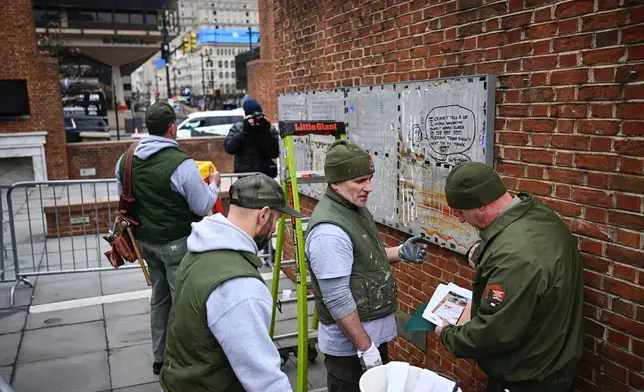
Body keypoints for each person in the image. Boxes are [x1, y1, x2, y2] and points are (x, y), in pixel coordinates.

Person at [434, 162, 584, 392]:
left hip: (527, 377)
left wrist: (448, 335)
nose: (461, 219)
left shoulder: (515, 257)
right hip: (550, 359)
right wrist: (482, 252)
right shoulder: (537, 216)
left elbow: (496, 332)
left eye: (461, 212)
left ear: (482, 205)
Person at [305, 140, 429, 392]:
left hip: (368, 339)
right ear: (336, 182)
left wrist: (400, 252)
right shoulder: (329, 232)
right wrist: (365, 348)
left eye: (369, 178)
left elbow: (361, 259)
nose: (368, 187)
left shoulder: (351, 208)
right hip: (352, 350)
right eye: (360, 180)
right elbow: (337, 299)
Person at [160, 173, 300, 392]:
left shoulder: (200, 248)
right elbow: (264, 378)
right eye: (275, 219)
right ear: (263, 215)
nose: (274, 229)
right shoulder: (239, 285)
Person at [114, 102, 221, 375]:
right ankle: (186, 362)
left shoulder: (125, 159)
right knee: (185, 303)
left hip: (144, 243)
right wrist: (214, 185)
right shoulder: (180, 164)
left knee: (160, 299)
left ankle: (160, 357)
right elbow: (200, 206)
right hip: (176, 243)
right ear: (172, 127)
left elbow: (124, 196)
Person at [224, 98, 279, 178]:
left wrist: (266, 132)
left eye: (259, 116)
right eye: (252, 117)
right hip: (244, 177)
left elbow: (274, 153)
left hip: (265, 176)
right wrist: (244, 132)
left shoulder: (268, 129)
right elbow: (229, 148)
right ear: (247, 116)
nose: (256, 120)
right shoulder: (239, 128)